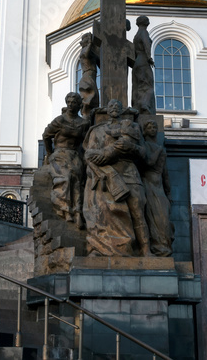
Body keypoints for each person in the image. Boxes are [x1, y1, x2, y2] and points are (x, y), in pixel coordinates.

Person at [83, 100, 150, 256]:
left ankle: (146, 250)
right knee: (102, 210)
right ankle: (103, 248)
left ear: (121, 110)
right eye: (111, 106)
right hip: (107, 174)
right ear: (107, 110)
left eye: (117, 106)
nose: (114, 108)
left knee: (138, 212)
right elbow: (88, 154)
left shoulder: (132, 128)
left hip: (129, 172)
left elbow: (143, 153)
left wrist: (130, 147)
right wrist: (104, 157)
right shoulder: (97, 131)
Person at [42, 92, 89, 227]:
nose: (70, 105)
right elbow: (46, 136)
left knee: (78, 179)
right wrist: (49, 153)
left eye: (73, 102)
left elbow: (86, 142)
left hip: (74, 155)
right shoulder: (60, 120)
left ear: (79, 105)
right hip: (60, 153)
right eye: (68, 102)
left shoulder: (83, 123)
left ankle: (78, 212)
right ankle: (65, 210)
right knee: (66, 177)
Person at [140, 115, 173, 256]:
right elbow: (149, 163)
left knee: (164, 218)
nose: (153, 129)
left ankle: (164, 246)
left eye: (154, 127)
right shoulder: (145, 146)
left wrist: (168, 191)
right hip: (148, 185)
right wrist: (159, 151)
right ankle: (157, 248)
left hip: (159, 187)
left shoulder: (161, 149)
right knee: (153, 217)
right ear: (145, 131)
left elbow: (165, 173)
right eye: (149, 127)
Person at [131, 16, 156, 116]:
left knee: (139, 86)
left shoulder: (136, 35)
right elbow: (146, 44)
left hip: (137, 62)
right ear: (147, 22)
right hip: (143, 61)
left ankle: (138, 106)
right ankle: (144, 104)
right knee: (148, 86)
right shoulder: (144, 33)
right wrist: (149, 58)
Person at [77, 33, 100, 118]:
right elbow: (86, 54)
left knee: (94, 98)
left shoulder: (92, 53)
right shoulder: (84, 51)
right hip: (87, 77)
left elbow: (100, 62)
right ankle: (87, 117)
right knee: (89, 99)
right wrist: (90, 43)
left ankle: (91, 116)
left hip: (91, 77)